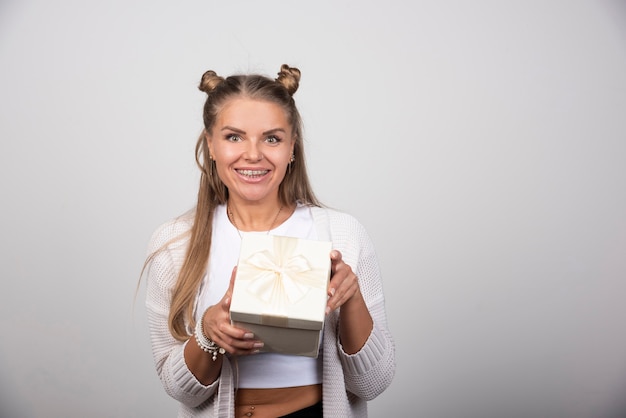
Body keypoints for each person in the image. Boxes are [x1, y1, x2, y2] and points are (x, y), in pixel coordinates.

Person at [143, 63, 395, 417]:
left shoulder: (342, 234)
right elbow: (178, 390)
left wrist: (350, 299)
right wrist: (207, 334)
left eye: (272, 138)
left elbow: (374, 383)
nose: (253, 154)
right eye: (234, 137)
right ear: (211, 145)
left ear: (292, 148)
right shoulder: (175, 244)